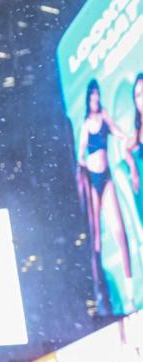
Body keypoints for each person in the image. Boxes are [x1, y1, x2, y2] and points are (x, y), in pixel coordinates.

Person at [79, 79, 137, 313]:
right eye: (92, 96)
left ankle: (131, 291)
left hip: (107, 177)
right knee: (97, 241)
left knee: (120, 232)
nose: (95, 100)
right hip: (93, 181)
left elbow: (120, 134)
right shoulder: (85, 124)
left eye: (97, 95)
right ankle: (102, 296)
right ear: (88, 99)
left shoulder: (104, 116)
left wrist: (131, 141)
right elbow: (80, 155)